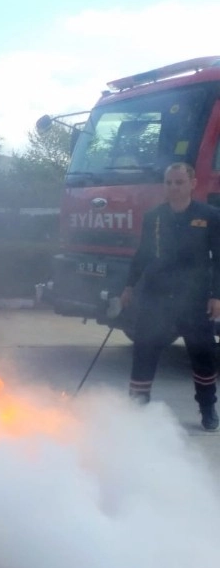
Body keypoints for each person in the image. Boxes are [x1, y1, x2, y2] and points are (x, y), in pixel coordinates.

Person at [121, 162, 220, 431]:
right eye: (169, 183)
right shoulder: (154, 216)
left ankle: (208, 409)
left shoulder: (210, 216)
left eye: (179, 182)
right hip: (156, 296)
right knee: (144, 349)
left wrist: (217, 296)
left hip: (194, 297)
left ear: (192, 184)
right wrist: (129, 286)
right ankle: (137, 407)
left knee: (203, 354)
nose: (173, 188)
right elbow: (143, 254)